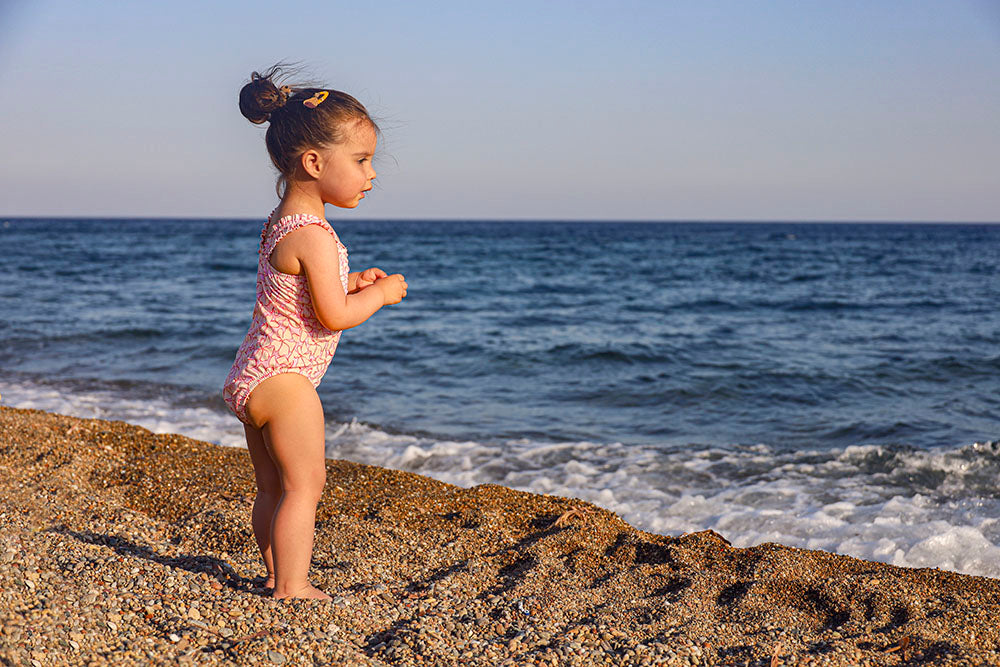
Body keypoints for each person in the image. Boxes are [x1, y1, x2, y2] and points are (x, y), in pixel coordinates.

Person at [223, 66, 407, 600]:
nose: (371, 173)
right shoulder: (315, 234)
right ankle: (292, 585)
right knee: (305, 486)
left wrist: (351, 280)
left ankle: (275, 574)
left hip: (253, 374)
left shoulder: (282, 222)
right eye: (361, 160)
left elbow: (299, 295)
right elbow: (333, 316)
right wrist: (379, 294)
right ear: (313, 163)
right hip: (286, 382)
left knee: (271, 488)